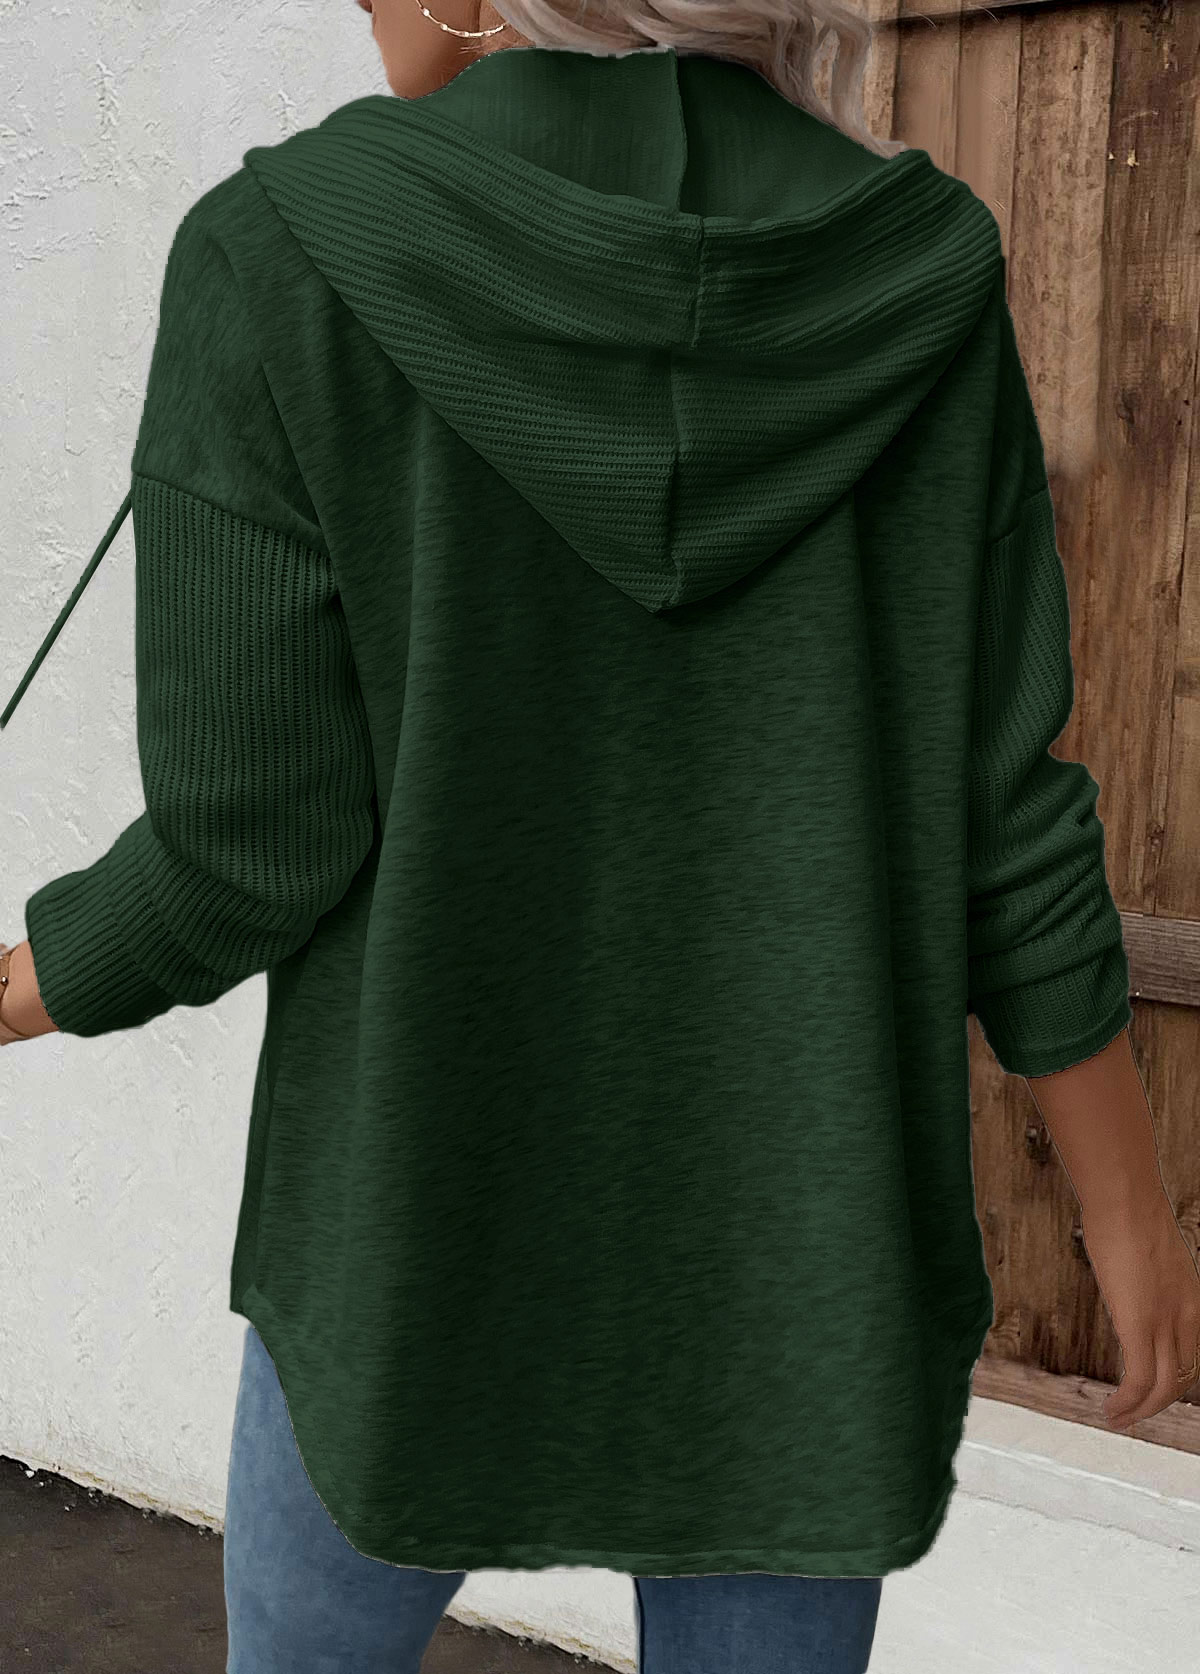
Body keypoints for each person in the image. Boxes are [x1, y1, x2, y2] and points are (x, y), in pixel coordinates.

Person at [3, 2, 1199, 1670]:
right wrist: (1131, 1214)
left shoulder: (276, 253)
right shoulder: (920, 274)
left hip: (406, 1228)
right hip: (801, 1257)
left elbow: (241, 853)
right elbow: (1006, 813)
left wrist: (21, 984)